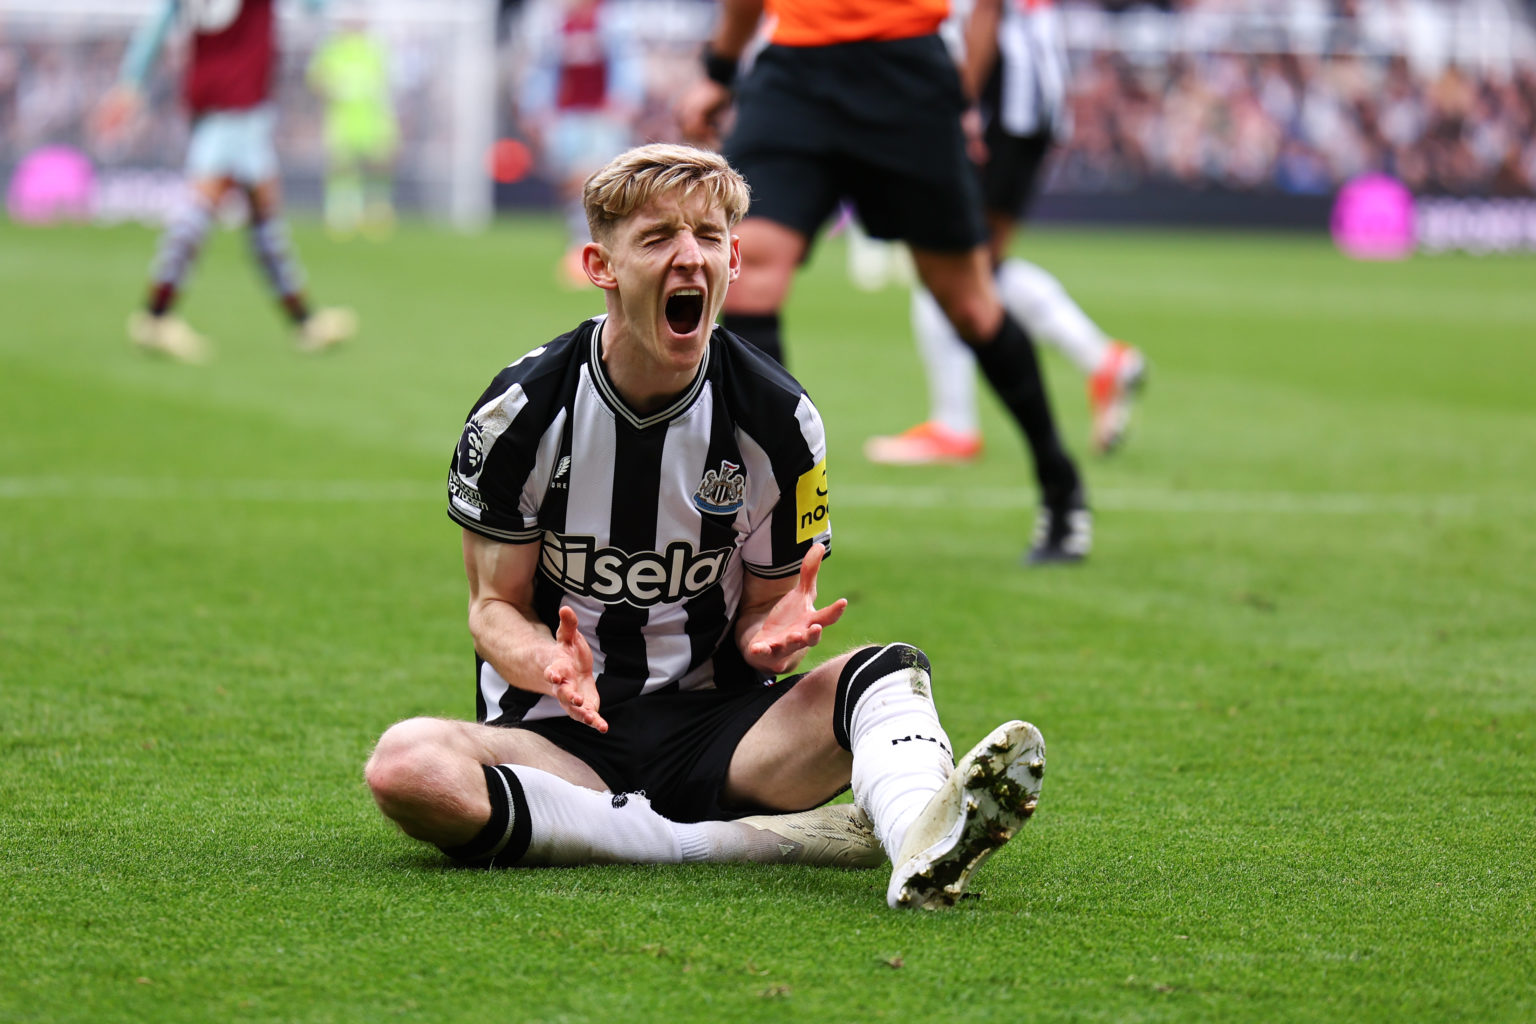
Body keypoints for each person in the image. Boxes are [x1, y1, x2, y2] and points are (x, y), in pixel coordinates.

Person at [363, 144, 1047, 911]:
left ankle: (923, 837)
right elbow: (493, 608)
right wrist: (543, 660)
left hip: (724, 736)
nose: (690, 257)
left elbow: (765, 608)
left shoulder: (780, 421)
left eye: (709, 238)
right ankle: (738, 843)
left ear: (734, 262)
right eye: (658, 238)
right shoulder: (520, 414)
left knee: (888, 673)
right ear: (600, 264)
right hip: (559, 740)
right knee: (406, 766)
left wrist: (768, 632)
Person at [677, 0, 1090, 565]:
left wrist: (959, 99)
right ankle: (775, 517)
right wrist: (719, 70)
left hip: (907, 75)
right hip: (796, 72)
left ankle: (1059, 482)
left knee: (970, 305)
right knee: (747, 284)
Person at [865, 0, 1146, 466]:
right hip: (1032, 97)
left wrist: (960, 105)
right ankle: (1101, 360)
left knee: (945, 255)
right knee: (978, 265)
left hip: (1006, 97)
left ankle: (954, 427)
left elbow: (986, 9)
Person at [94, 0, 356, 363]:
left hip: (209, 93)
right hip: (239, 98)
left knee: (264, 214)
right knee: (202, 206)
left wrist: (131, 83)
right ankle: (156, 314)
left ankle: (304, 321)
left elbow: (159, 26)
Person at [514, 0, 646, 287]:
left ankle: (597, 248)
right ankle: (583, 246)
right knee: (573, 184)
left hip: (603, 116)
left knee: (597, 180)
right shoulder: (552, 25)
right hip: (565, 116)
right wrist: (535, 109)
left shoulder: (613, 21)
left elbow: (626, 66)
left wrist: (623, 104)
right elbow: (541, 71)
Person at [307, 17, 398, 239]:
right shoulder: (332, 49)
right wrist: (331, 89)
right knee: (342, 167)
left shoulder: (375, 49)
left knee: (378, 165)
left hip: (374, 120)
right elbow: (316, 81)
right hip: (341, 120)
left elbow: (388, 86)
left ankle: (377, 213)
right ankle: (342, 214)